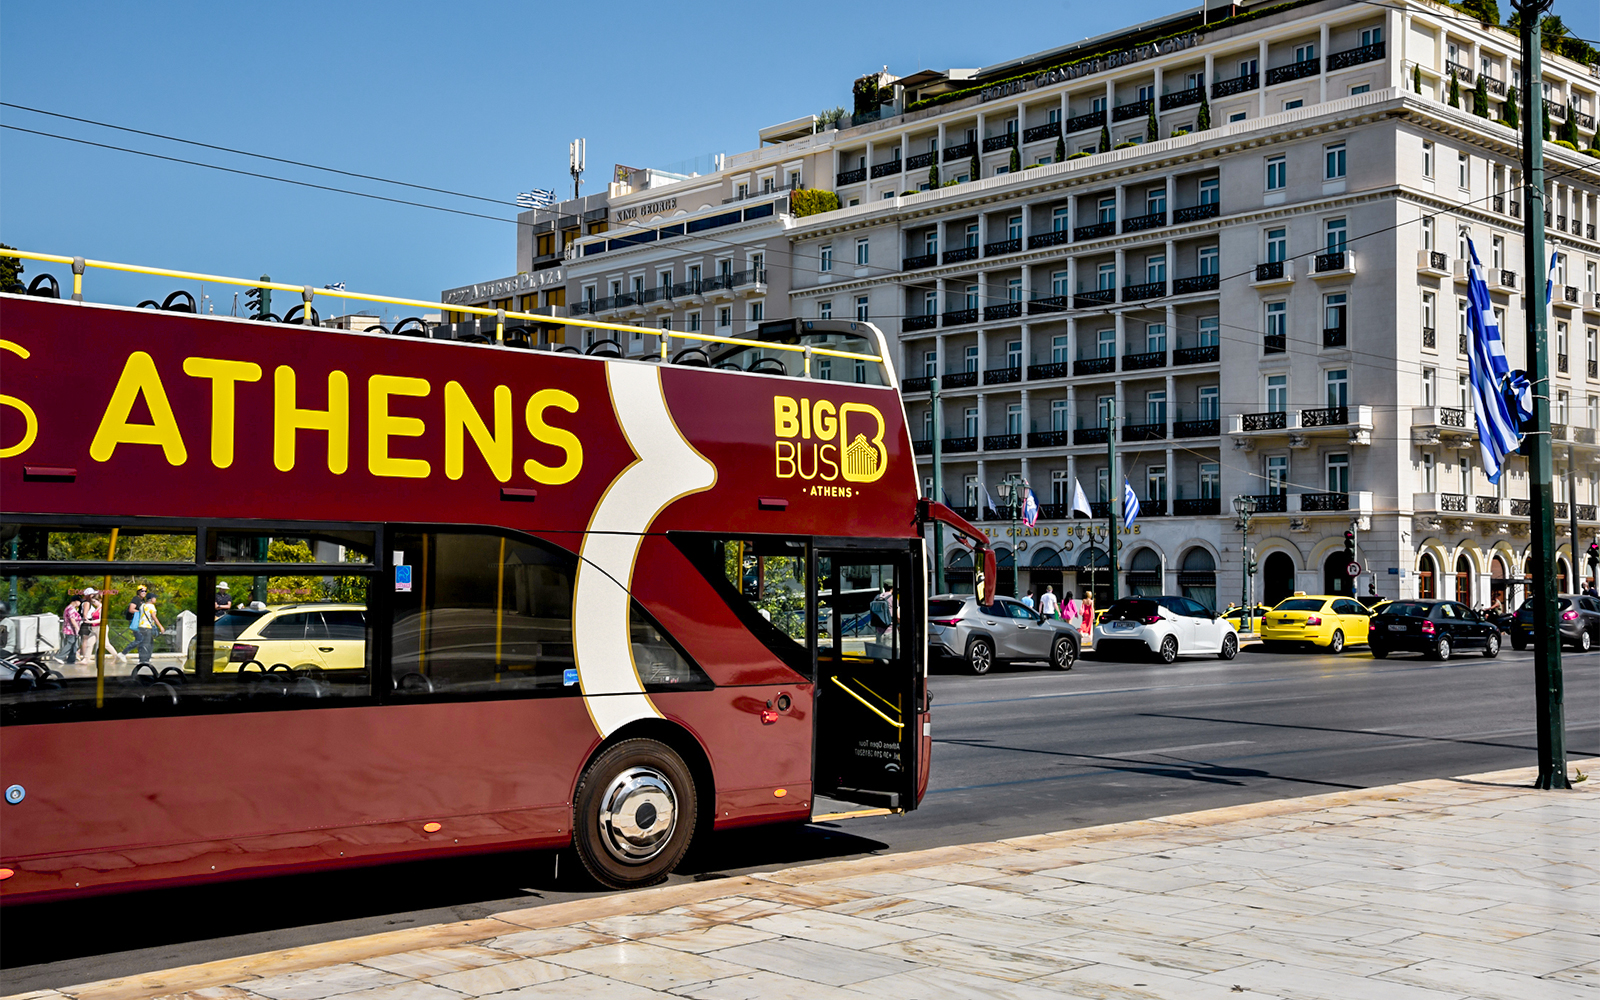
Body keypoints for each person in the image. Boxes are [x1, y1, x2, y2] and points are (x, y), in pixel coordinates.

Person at [134, 587, 162, 666]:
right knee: (147, 643)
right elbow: (154, 617)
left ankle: (142, 658)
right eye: (155, 598)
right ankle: (145, 660)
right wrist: (160, 626)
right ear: (151, 599)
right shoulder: (151, 606)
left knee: (142, 642)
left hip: (141, 626)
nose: (155, 599)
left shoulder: (142, 605)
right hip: (147, 627)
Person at [120, 584, 149, 659]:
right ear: (138, 592)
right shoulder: (136, 599)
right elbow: (131, 609)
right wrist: (141, 613)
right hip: (134, 621)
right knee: (139, 639)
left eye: (145, 591)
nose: (144, 592)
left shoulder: (142, 600)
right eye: (142, 591)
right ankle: (123, 653)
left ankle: (141, 658)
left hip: (139, 622)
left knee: (141, 640)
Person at [59, 594, 84, 664]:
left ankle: (71, 660)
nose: (80, 603)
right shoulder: (71, 609)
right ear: (76, 601)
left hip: (71, 630)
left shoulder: (69, 608)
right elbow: (72, 620)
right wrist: (78, 629)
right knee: (70, 643)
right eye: (79, 602)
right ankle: (60, 656)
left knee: (74, 645)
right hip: (70, 630)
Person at [79, 588, 101, 664]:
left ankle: (85, 656)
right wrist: (88, 620)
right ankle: (85, 656)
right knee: (85, 640)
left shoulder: (87, 603)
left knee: (87, 640)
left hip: (88, 622)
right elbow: (85, 614)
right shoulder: (87, 603)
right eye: (92, 594)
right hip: (87, 622)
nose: (93, 596)